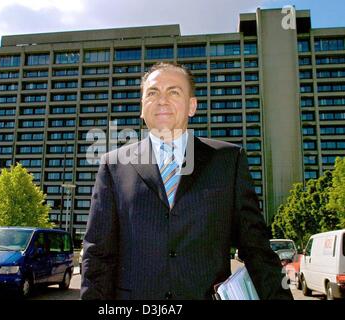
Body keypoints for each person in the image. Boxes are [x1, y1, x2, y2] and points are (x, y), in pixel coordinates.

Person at [80, 62, 293, 300]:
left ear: (192, 106)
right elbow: (98, 255)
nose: (162, 100)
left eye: (173, 91)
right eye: (152, 93)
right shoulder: (113, 166)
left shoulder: (228, 161)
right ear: (142, 107)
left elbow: (257, 249)